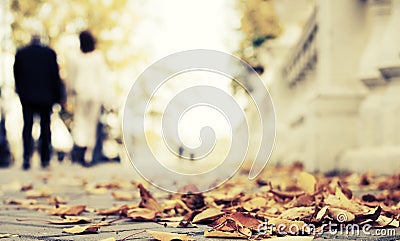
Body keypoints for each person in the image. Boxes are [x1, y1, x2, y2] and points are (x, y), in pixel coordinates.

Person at [13, 34, 62, 170]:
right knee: (45, 127)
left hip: (27, 96)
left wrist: (20, 90)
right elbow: (55, 76)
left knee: (27, 126)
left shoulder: (21, 53)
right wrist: (58, 97)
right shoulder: (49, 54)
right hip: (45, 97)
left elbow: (16, 73)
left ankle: (26, 158)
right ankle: (45, 159)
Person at [67, 30, 110, 166]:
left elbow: (71, 78)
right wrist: (107, 97)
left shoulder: (75, 57)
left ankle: (81, 148)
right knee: (91, 124)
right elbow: (103, 78)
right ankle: (89, 154)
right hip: (95, 94)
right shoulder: (98, 57)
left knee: (80, 122)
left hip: (81, 93)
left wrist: (69, 94)